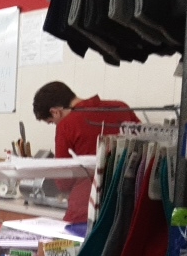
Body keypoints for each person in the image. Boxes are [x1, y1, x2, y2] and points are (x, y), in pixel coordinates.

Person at [32, 81, 139, 223]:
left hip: (85, 210)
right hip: (124, 210)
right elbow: (142, 146)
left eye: (51, 121)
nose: (55, 124)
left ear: (55, 112)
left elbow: (63, 182)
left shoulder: (66, 125)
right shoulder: (122, 108)